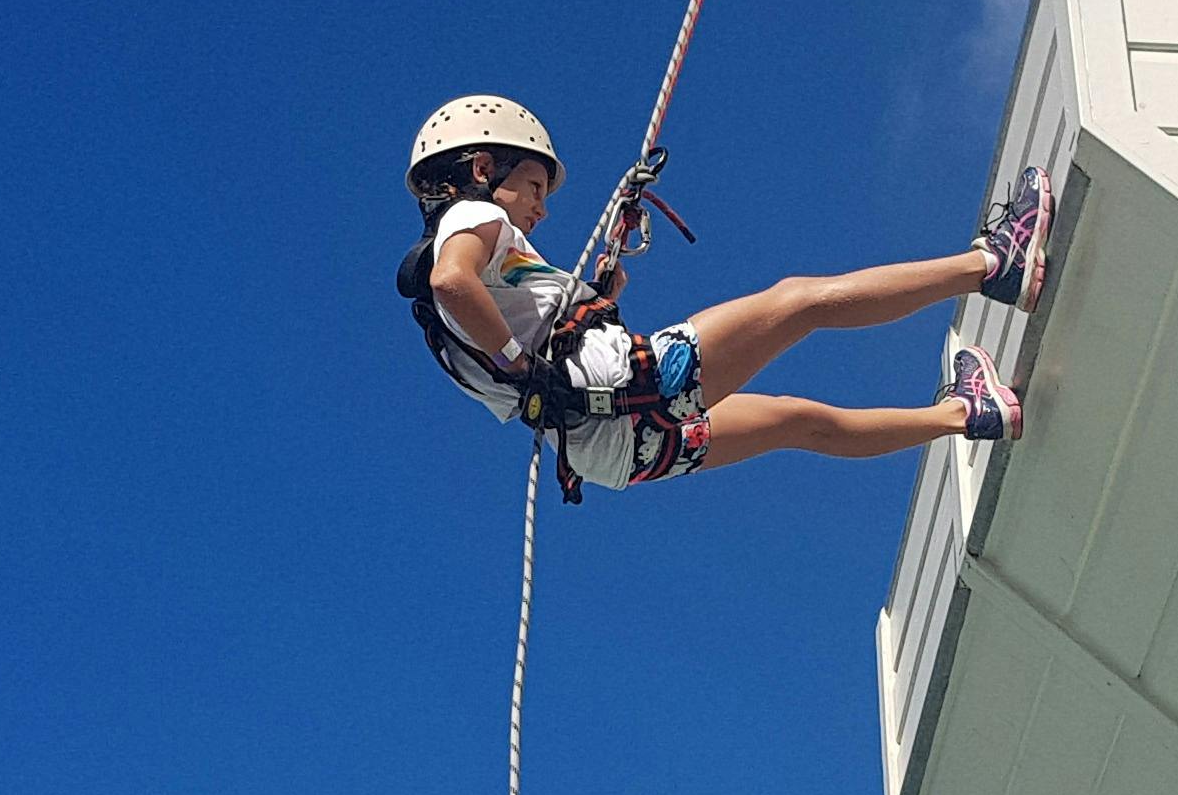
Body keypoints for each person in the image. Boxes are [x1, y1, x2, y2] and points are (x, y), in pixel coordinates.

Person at [394, 94, 1050, 495]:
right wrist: (521, 361)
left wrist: (593, 297)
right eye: (535, 186)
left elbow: (497, 321)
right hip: (628, 387)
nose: (539, 207)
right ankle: (995, 264)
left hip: (613, 452)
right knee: (800, 301)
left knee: (799, 422)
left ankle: (970, 417)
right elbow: (454, 280)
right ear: (484, 169)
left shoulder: (443, 329)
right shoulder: (472, 220)